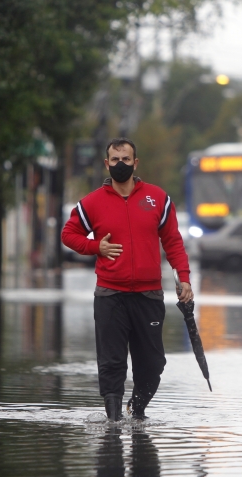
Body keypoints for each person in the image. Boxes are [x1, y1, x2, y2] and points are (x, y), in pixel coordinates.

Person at [61, 137, 194, 421]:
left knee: (153, 363)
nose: (120, 164)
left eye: (126, 159)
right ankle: (113, 422)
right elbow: (68, 234)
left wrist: (183, 278)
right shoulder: (92, 203)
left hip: (148, 296)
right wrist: (97, 247)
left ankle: (137, 409)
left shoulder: (157, 199)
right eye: (115, 159)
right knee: (112, 363)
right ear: (106, 164)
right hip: (110, 296)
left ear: (136, 162)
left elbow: (173, 242)